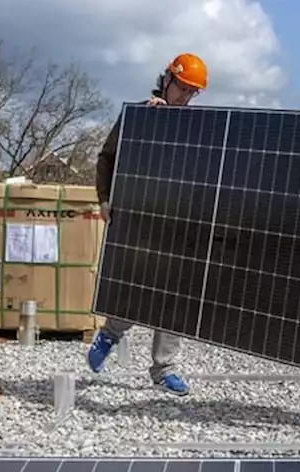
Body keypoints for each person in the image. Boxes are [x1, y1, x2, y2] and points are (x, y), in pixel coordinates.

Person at [87, 53, 209, 396]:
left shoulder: (198, 127)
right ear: (167, 80)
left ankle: (164, 368)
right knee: (136, 289)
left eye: (191, 93)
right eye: (182, 88)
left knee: (174, 297)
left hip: (177, 221)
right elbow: (106, 158)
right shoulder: (139, 115)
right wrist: (105, 199)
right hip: (140, 215)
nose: (184, 97)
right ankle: (110, 334)